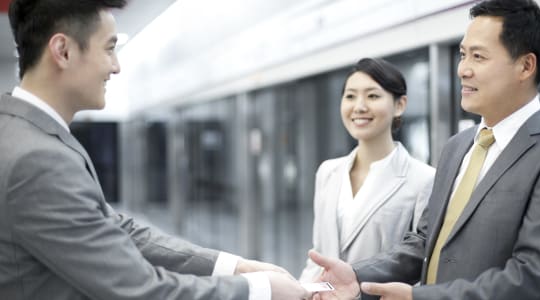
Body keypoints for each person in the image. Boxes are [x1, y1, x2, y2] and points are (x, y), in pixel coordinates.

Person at [0, 1, 310, 299]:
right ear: (63, 51)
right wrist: (259, 290)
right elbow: (142, 290)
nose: (116, 66)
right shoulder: (37, 160)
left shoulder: (23, 134)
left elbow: (112, 228)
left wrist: (234, 267)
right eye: (109, 48)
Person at [308, 0, 540, 299]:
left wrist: (420, 297)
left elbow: (533, 277)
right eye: (462, 55)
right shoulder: (458, 146)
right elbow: (424, 240)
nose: (463, 69)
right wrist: (356, 274)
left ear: (525, 66)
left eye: (478, 56)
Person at [299, 58, 434, 282]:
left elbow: (420, 264)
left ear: (399, 105)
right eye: (350, 96)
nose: (359, 106)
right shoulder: (328, 172)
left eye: (372, 96)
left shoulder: (424, 180)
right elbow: (318, 256)